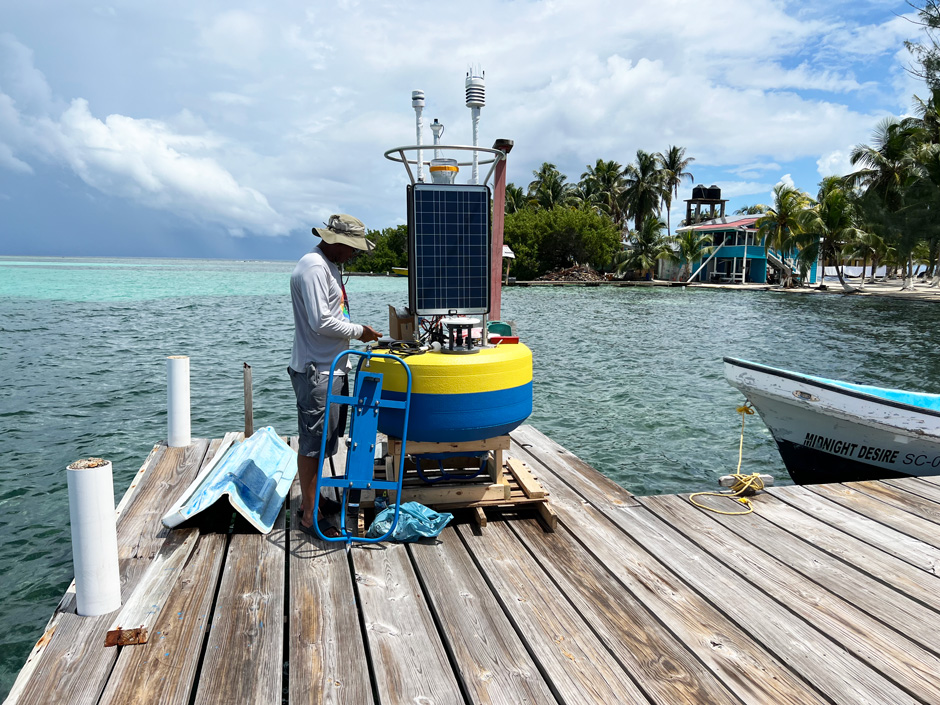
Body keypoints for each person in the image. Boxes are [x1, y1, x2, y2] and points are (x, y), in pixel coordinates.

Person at [288, 213, 382, 536]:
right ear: (337, 242)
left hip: (330, 366)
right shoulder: (314, 267)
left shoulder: (325, 266)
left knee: (326, 440)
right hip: (318, 370)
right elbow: (321, 321)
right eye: (352, 248)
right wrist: (360, 332)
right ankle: (309, 518)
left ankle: (310, 503)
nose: (353, 255)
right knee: (313, 444)